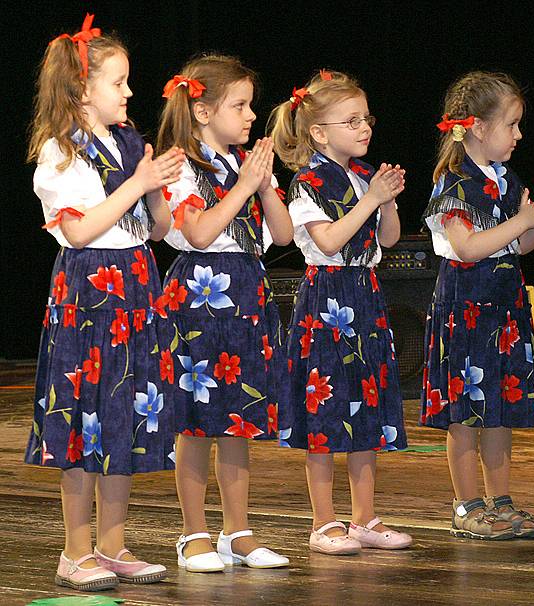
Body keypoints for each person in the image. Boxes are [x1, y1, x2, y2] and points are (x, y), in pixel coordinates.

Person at [24, 13, 184, 590]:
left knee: (126, 416)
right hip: (92, 290)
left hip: (136, 285)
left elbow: (157, 228)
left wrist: (159, 187)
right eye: (118, 82)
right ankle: (74, 551)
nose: (129, 92)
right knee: (83, 418)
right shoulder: (60, 152)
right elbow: (80, 231)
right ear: (81, 90)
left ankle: (112, 547)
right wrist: (139, 185)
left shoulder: (128, 143)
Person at [421, 71, 534, 540]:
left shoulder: (506, 180)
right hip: (466, 303)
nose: (519, 135)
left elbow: (518, 246)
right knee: (466, 411)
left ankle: (499, 499)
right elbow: (467, 246)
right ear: (480, 127)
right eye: (512, 124)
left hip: (504, 305)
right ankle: (466, 505)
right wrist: (522, 221)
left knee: (500, 407)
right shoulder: (453, 180)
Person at [157, 54, 293, 571]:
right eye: (239, 105)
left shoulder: (243, 166)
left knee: (240, 419)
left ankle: (237, 531)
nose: (251, 116)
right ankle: (193, 535)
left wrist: (263, 184)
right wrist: (243, 186)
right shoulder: (179, 165)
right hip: (199, 296)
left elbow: (281, 236)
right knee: (195, 423)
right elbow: (197, 232)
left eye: (250, 105)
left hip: (246, 297)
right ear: (202, 112)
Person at [270, 69, 412, 555]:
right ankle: (324, 522)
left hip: (365, 297)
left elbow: (388, 240)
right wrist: (371, 199)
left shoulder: (364, 176)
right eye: (350, 120)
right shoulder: (308, 182)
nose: (363, 128)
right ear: (318, 132)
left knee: (365, 408)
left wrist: (386, 203)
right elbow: (328, 239)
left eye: (365, 118)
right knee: (326, 412)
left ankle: (365, 518)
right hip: (327, 301)